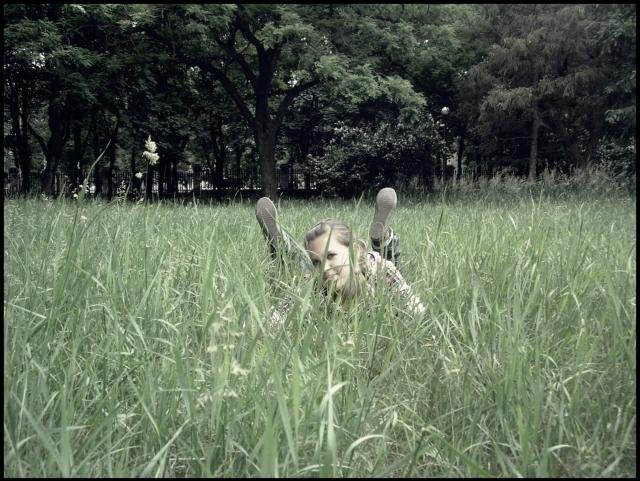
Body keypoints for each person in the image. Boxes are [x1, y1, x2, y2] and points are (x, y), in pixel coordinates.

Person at [255, 188, 426, 326]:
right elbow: (272, 323)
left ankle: (381, 238)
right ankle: (281, 246)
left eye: (331, 255)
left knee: (389, 262)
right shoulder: (313, 283)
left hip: (373, 270)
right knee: (303, 269)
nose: (324, 268)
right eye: (317, 262)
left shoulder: (380, 270)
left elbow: (417, 314)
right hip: (327, 284)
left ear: (355, 251)